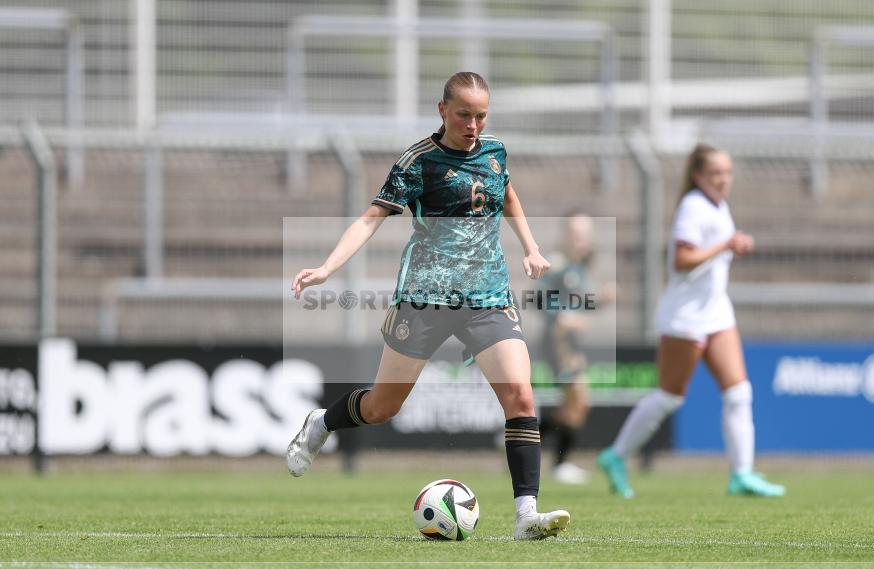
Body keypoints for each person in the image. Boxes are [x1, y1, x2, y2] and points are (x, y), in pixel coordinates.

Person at [286, 72, 570, 540]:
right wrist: (326, 268)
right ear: (442, 110)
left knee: (520, 396)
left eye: (481, 115)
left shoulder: (496, 152)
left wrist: (532, 247)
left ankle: (525, 515)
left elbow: (508, 193)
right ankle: (321, 423)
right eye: (464, 115)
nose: (473, 124)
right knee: (381, 407)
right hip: (425, 298)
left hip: (487, 297)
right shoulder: (419, 161)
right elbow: (370, 218)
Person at [597, 143, 785, 498]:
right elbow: (682, 259)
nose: (723, 179)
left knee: (739, 392)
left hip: (716, 311)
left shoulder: (718, 204)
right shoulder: (693, 206)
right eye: (716, 173)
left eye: (727, 173)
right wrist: (726, 245)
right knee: (670, 397)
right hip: (685, 316)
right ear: (698, 176)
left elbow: (713, 252)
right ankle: (615, 456)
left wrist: (732, 245)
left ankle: (741, 474)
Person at [538, 212, 616, 485]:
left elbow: (582, 305)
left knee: (576, 405)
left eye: (584, 233)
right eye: (575, 233)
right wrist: (562, 316)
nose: (580, 239)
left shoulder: (579, 268)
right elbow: (538, 298)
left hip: (571, 344)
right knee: (578, 401)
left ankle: (524, 436)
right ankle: (559, 464)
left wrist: (602, 300)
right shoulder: (557, 264)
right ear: (565, 235)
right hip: (557, 341)